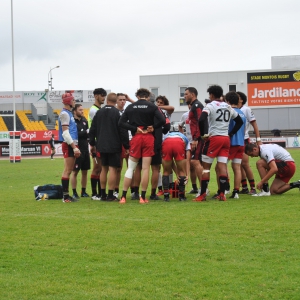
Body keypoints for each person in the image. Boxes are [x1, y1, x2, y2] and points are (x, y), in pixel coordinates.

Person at [195, 85, 243, 202]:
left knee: (206, 168)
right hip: (226, 139)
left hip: (214, 138)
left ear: (211, 95)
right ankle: (222, 194)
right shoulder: (227, 106)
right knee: (222, 166)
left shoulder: (210, 105)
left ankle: (202, 195)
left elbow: (201, 119)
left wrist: (203, 134)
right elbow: (239, 121)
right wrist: (230, 134)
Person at [118, 88, 166, 204]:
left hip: (137, 137)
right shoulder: (152, 106)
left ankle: (123, 196)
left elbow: (121, 123)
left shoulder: (130, 107)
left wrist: (135, 128)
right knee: (145, 169)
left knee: (131, 168)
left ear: (137, 96)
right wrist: (153, 127)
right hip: (149, 137)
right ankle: (143, 197)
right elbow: (163, 120)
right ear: (148, 96)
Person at [89, 93, 129, 201]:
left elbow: (92, 129)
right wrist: (126, 145)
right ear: (116, 101)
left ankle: (103, 194)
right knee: (113, 169)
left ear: (107, 100)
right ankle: (111, 195)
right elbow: (123, 130)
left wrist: (92, 143)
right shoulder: (117, 113)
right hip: (114, 145)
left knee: (103, 169)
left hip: (101, 145)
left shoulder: (99, 112)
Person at [237, 91, 262, 195]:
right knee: (238, 165)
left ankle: (252, 188)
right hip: (235, 140)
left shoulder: (246, 109)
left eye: (237, 97)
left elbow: (254, 124)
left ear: (241, 100)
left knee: (245, 164)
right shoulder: (232, 109)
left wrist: (258, 139)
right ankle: (244, 187)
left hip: (244, 139)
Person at [58, 93, 81, 203]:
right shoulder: (65, 114)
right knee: (67, 170)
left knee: (69, 170)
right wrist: (74, 147)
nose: (74, 102)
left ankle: (66, 196)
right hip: (68, 144)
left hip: (71, 143)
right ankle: (65, 197)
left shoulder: (68, 113)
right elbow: (65, 133)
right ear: (69, 101)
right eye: (73, 100)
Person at [184, 87, 206, 196]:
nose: (184, 96)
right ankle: (199, 188)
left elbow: (200, 121)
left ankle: (203, 189)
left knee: (196, 162)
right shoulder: (193, 106)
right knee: (194, 163)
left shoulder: (197, 105)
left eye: (186, 94)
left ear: (192, 95)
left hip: (198, 139)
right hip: (195, 138)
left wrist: (196, 138)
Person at [149, 95, 172, 200]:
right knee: (157, 167)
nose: (158, 104)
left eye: (161, 102)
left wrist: (158, 107)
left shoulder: (166, 111)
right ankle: (160, 188)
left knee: (168, 165)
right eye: (157, 102)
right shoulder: (153, 111)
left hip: (165, 140)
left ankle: (170, 186)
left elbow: (172, 108)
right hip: (158, 141)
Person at [226, 92, 246, 199]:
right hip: (241, 143)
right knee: (237, 167)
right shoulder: (242, 113)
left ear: (227, 101)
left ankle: (224, 189)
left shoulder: (230, 112)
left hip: (231, 143)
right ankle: (236, 192)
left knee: (221, 166)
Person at [88, 88, 107, 200]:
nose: (103, 97)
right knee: (97, 167)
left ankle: (99, 193)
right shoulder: (94, 110)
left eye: (104, 95)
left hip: (98, 141)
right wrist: (92, 144)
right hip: (95, 141)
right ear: (95, 96)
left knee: (100, 168)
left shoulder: (98, 109)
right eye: (101, 95)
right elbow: (93, 128)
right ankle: (95, 194)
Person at [161, 131, 191, 201]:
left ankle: (166, 196)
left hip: (166, 143)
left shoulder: (166, 136)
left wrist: (176, 172)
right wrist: (187, 175)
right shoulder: (186, 139)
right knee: (182, 171)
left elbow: (171, 162)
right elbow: (187, 160)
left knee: (165, 171)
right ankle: (181, 196)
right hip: (179, 143)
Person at [70, 104, 90, 200]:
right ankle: (74, 192)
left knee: (85, 171)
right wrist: (85, 133)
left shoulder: (84, 120)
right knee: (75, 172)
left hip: (86, 149)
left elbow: (88, 133)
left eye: (82, 109)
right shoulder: (72, 121)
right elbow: (74, 134)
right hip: (77, 149)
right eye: (80, 110)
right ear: (75, 111)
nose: (82, 111)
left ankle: (83, 191)